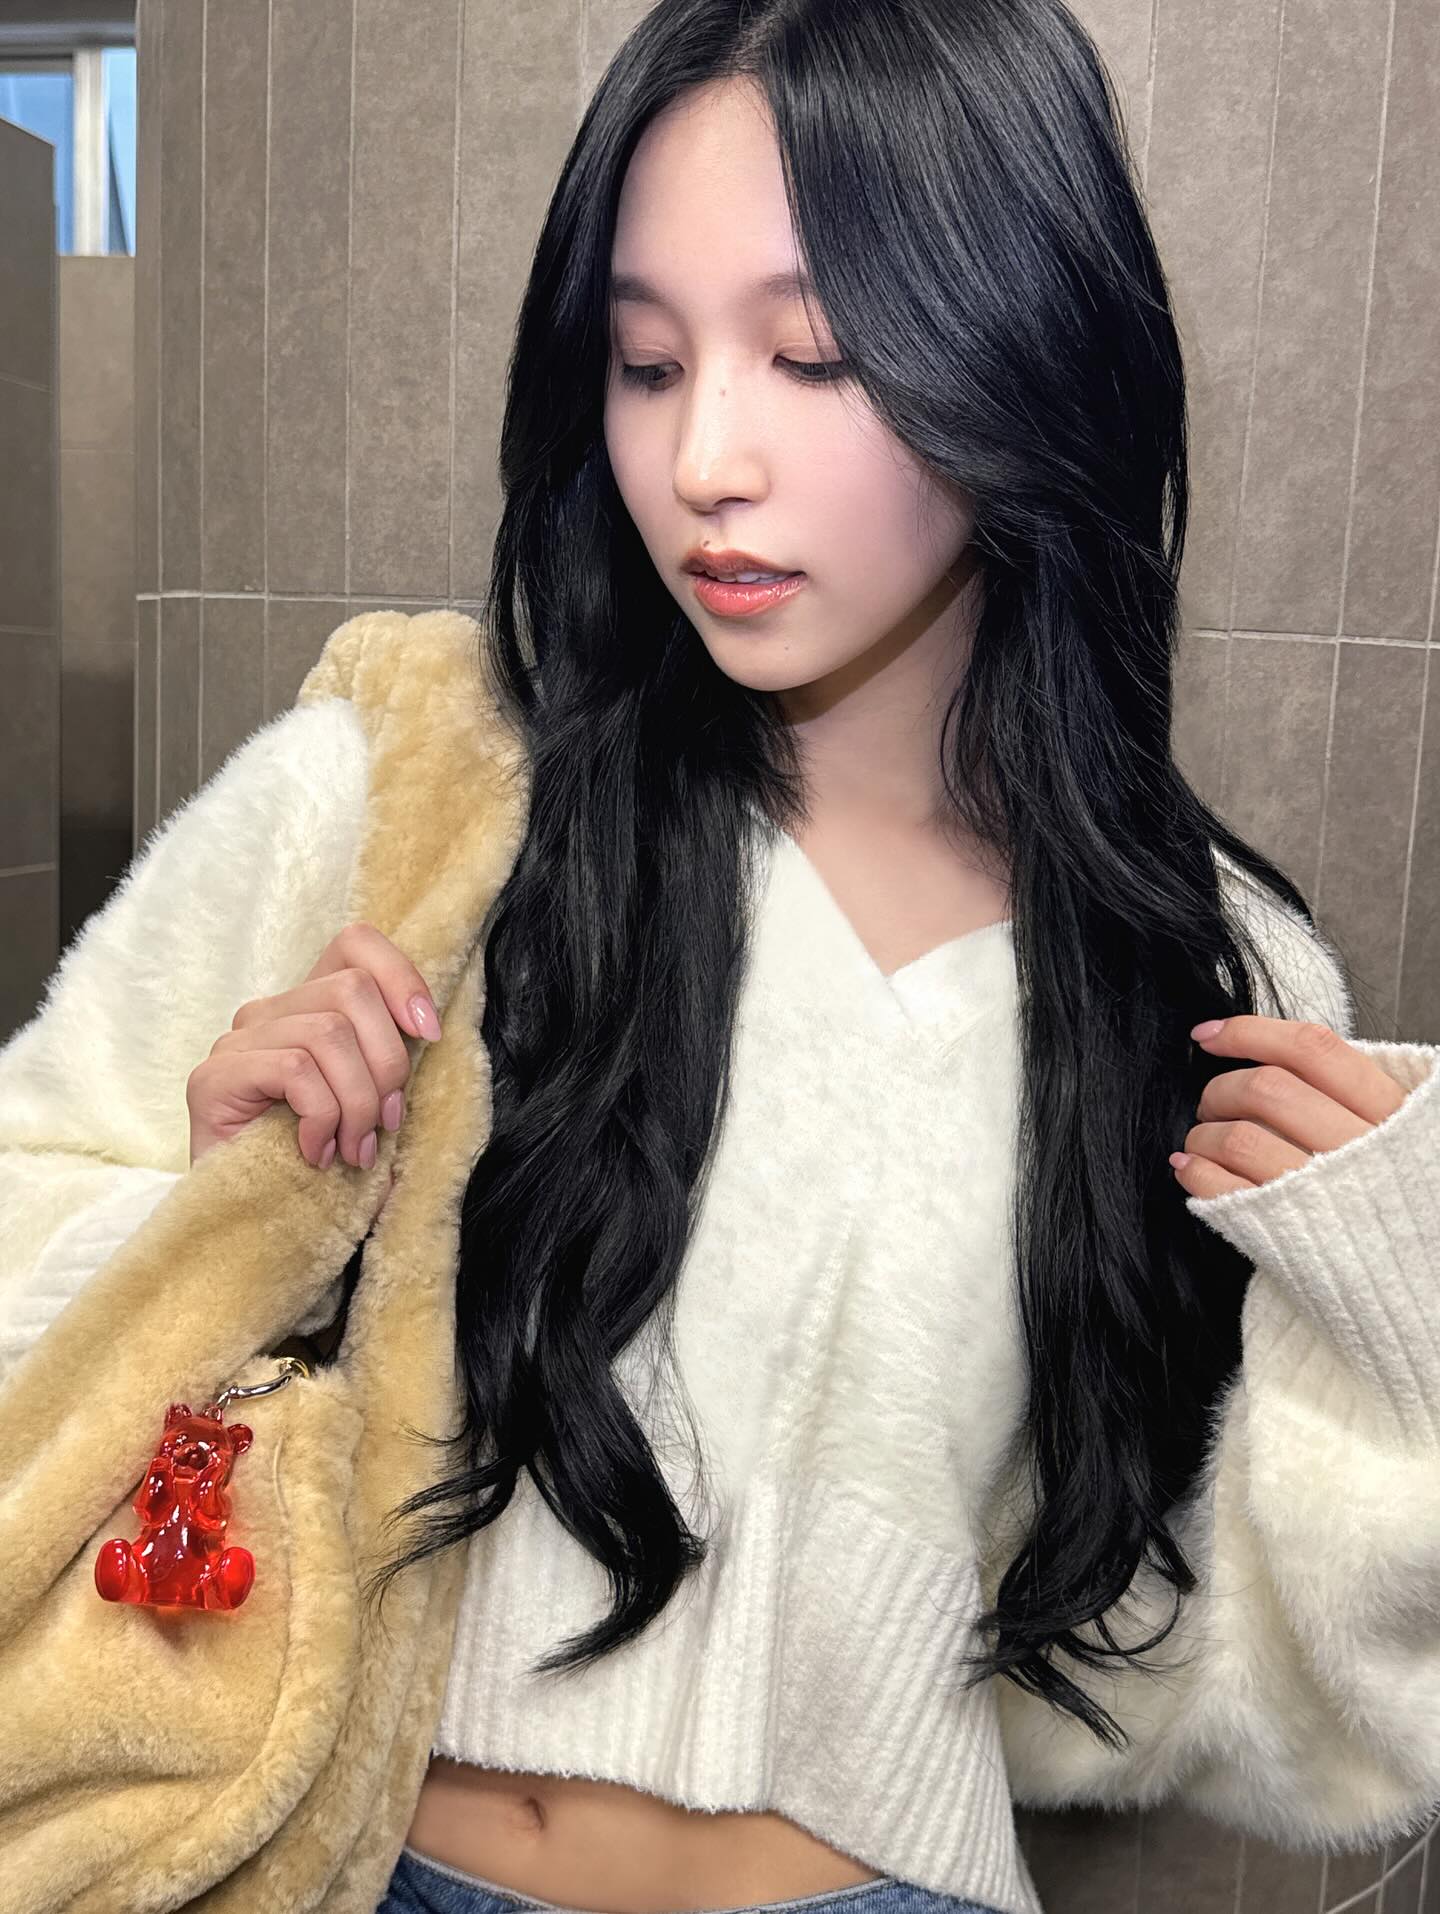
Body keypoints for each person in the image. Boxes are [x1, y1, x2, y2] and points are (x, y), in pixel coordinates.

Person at [2, 2, 1437, 1913]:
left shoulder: (1204, 966)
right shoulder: (416, 787)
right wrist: (223, 1206)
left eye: (815, 355)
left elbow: (1238, 1718)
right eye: (648, 361)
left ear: (1022, 350)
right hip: (368, 1870)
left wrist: (1401, 1328)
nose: (703, 459)